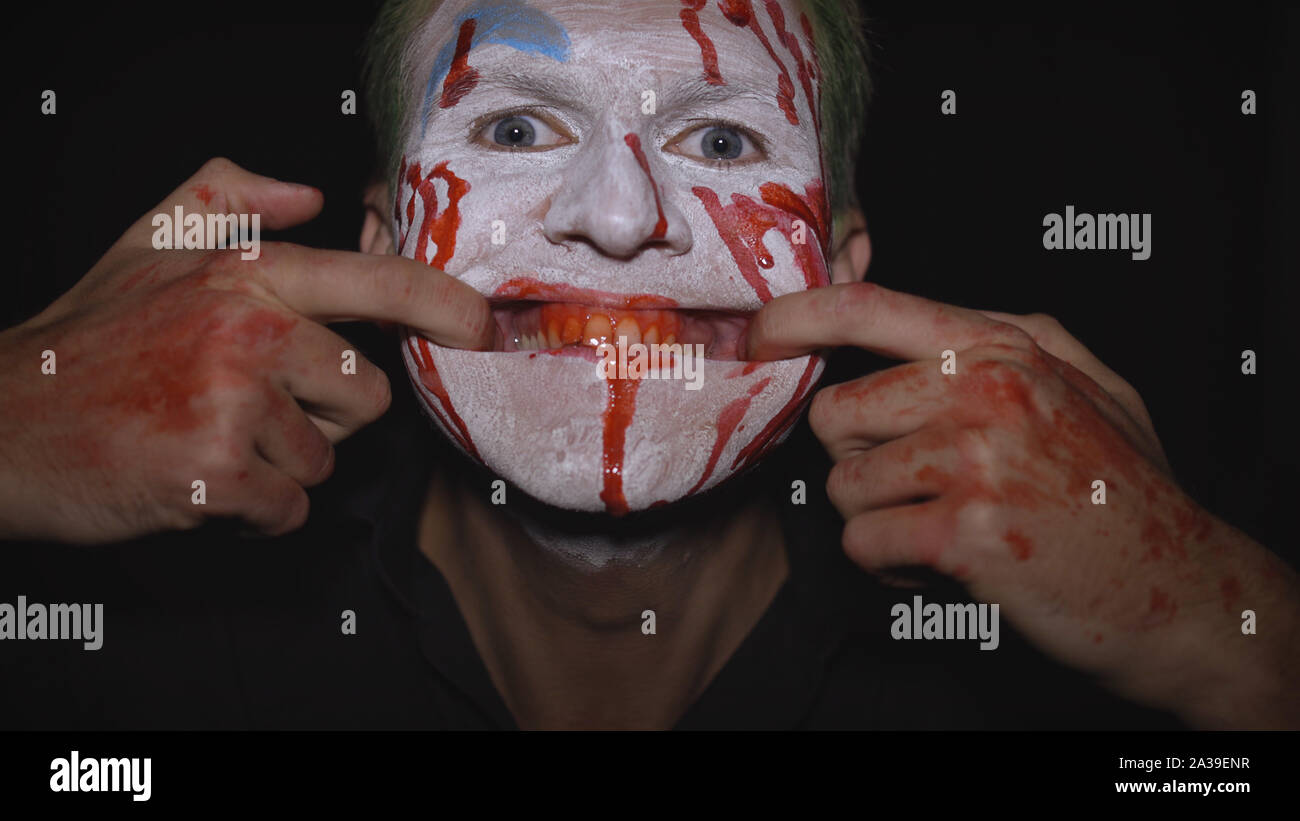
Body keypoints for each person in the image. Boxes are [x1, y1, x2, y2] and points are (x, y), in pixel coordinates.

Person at [0, 0, 1294, 730]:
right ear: (384, 247)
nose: (619, 218)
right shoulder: (117, 677)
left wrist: (1217, 625)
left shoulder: (1024, 691)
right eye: (515, 123)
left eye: (723, 142)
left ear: (841, 276)